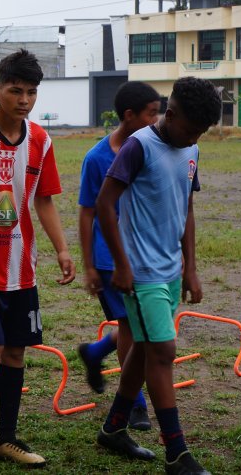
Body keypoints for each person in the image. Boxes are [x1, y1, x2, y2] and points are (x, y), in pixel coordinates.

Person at [94, 76, 220, 475]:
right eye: (190, 129)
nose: (194, 138)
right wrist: (122, 264)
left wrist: (191, 267)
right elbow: (104, 204)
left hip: (169, 271)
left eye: (201, 133)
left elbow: (187, 208)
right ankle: (176, 452)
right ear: (171, 113)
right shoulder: (139, 146)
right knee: (163, 352)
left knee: (146, 348)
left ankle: (114, 428)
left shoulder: (192, 148)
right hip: (141, 272)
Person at [0, 50, 76, 466]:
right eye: (15, 91)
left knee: (15, 352)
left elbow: (44, 200)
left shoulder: (41, 140)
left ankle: (6, 440)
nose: (24, 100)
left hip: (21, 267)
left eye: (31, 92)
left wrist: (62, 248)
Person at [75, 82, 162, 431]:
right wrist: (89, 266)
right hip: (111, 259)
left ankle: (96, 352)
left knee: (142, 326)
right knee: (133, 328)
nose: (157, 120)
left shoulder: (153, 148)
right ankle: (135, 404)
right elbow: (86, 213)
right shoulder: (97, 158)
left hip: (148, 255)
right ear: (129, 115)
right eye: (151, 113)